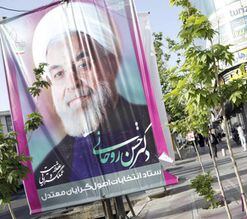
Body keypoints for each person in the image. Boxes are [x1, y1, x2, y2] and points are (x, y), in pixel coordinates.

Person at [32, 2, 158, 188]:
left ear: (112, 63)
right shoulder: (50, 167)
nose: (73, 83)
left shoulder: (150, 125)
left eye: (83, 65)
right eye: (59, 74)